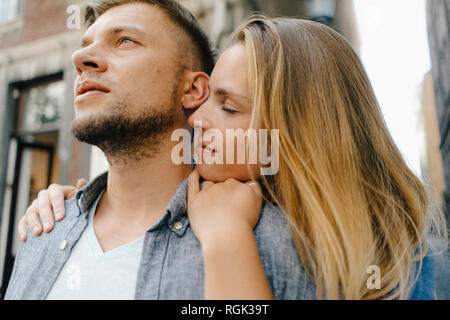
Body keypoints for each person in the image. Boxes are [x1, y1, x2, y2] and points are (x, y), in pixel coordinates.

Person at [10, 5, 447, 300]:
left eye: (229, 106)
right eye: (85, 42)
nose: (199, 120)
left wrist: (226, 238)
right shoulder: (49, 228)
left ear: (295, 136)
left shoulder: (313, 249)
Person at [4, 0, 312, 300]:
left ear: (192, 90)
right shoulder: (43, 229)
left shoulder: (274, 243)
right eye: (85, 44)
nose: (81, 57)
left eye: (124, 41)